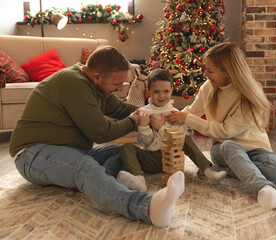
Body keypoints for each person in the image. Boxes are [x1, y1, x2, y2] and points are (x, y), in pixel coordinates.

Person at [9, 46, 184, 227]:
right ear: (97, 77)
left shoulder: (96, 86)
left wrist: (155, 113)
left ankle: (102, 183)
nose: (119, 89)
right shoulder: (74, 82)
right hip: (31, 154)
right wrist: (135, 121)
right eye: (116, 84)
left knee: (125, 151)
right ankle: (147, 207)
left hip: (72, 150)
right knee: (84, 167)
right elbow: (101, 133)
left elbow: (120, 109)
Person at [165, 42, 276, 210]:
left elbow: (225, 131)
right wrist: (172, 115)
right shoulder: (207, 88)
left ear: (228, 73)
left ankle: (224, 170)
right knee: (231, 145)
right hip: (224, 149)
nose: (205, 74)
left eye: (210, 70)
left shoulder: (250, 94)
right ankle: (263, 189)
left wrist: (186, 117)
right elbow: (191, 112)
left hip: (255, 150)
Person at [117, 68, 227, 191]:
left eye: (166, 91)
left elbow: (180, 140)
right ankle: (139, 179)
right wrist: (143, 127)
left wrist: (161, 128)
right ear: (149, 91)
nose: (162, 95)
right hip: (151, 160)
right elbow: (147, 144)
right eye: (156, 91)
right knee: (126, 147)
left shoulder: (175, 114)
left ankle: (208, 171)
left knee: (184, 138)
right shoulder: (143, 113)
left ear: (171, 90)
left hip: (171, 159)